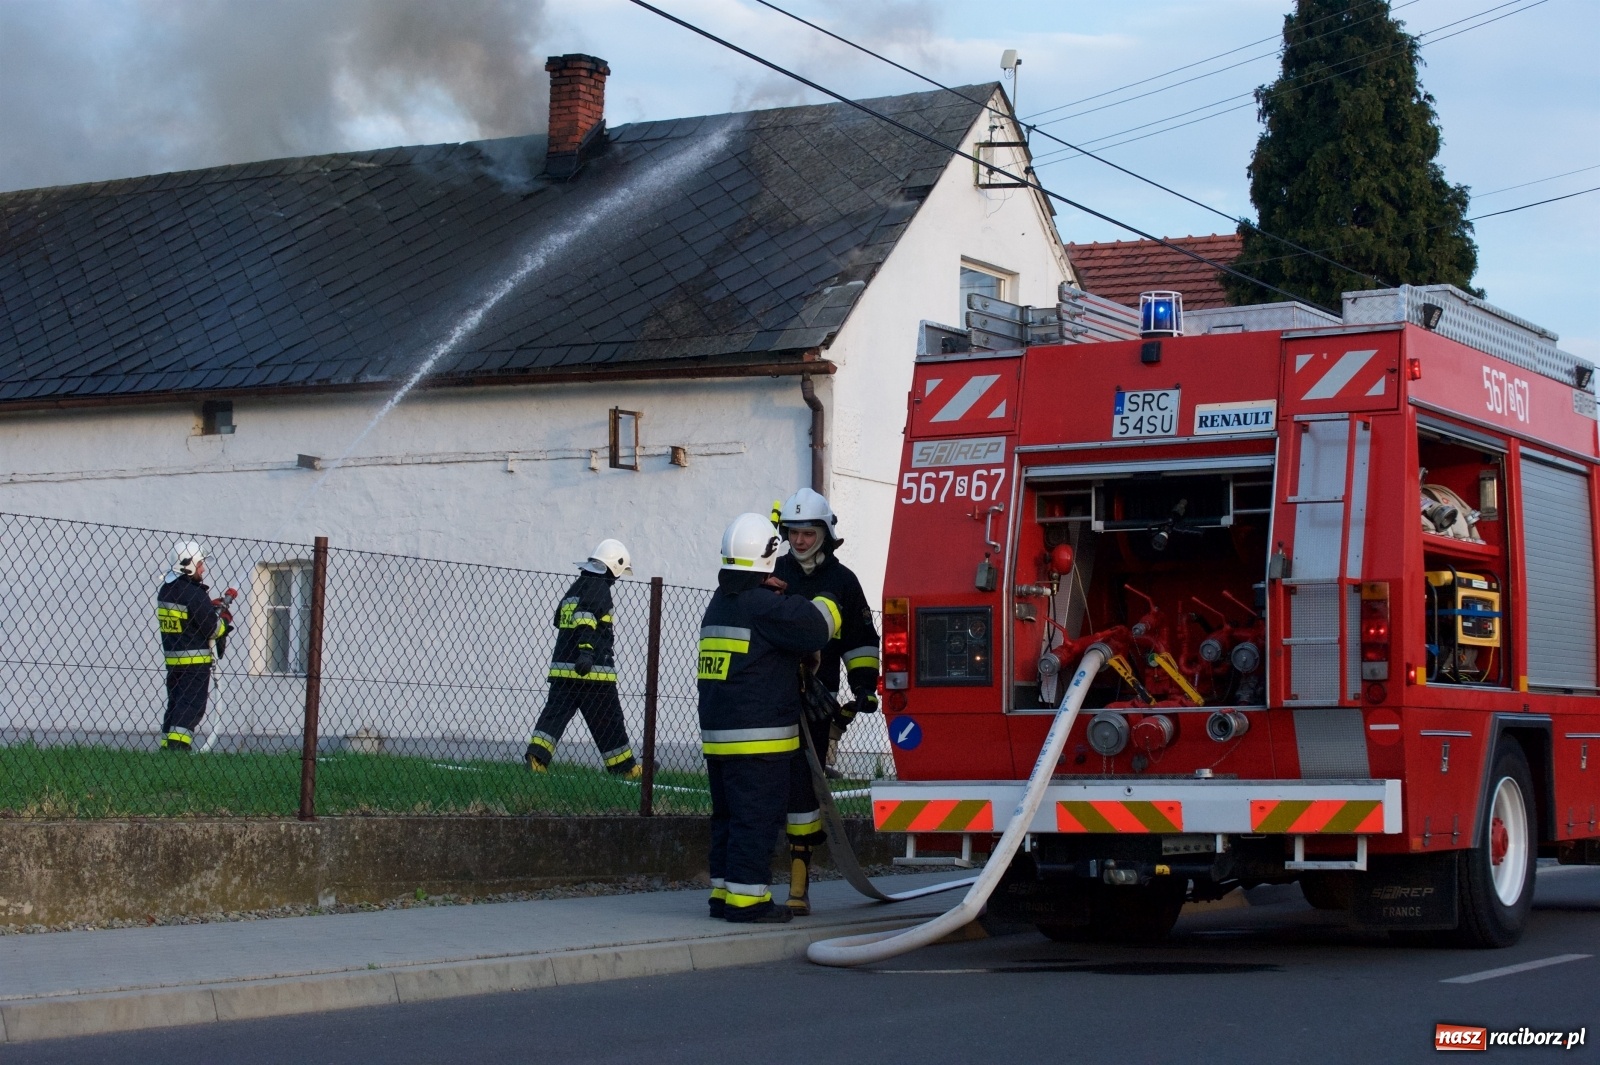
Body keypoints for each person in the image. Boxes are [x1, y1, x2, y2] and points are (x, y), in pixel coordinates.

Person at [699, 513, 840, 923]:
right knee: (755, 820)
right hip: (759, 742)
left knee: (726, 818)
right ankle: (748, 902)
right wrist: (828, 600)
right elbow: (814, 629)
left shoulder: (719, 603)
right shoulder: (765, 606)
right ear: (767, 557)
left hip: (719, 738)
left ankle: (722, 894)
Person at [772, 488, 881, 914]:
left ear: (825, 533)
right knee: (768, 788)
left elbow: (859, 640)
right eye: (793, 533)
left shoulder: (843, 582)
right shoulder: (775, 573)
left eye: (807, 533)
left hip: (818, 703)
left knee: (805, 789)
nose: (799, 541)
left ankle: (799, 888)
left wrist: (864, 685)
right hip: (773, 699)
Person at [525, 539, 641, 779]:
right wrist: (587, 651)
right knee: (609, 720)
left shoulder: (575, 587)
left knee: (554, 715)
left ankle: (537, 758)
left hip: (563, 670)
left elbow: (559, 619)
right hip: (593, 672)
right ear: (615, 566)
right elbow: (585, 617)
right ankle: (626, 769)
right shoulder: (599, 588)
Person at [156, 540, 229, 751]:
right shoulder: (194, 593)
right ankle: (179, 748)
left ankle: (167, 746)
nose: (203, 569)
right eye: (200, 565)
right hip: (195, 661)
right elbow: (212, 629)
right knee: (191, 705)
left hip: (173, 659)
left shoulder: (167, 591)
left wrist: (207, 608)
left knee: (176, 703)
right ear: (188, 565)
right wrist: (224, 620)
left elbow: (189, 620)